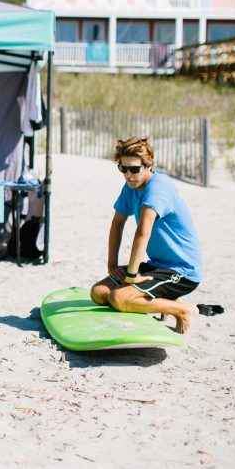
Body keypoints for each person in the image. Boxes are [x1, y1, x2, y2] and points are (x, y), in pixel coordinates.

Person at [90, 137, 203, 333]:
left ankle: (184, 310)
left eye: (134, 169)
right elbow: (117, 223)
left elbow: (143, 231)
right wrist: (112, 265)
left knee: (118, 298)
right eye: (123, 169)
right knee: (98, 293)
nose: (128, 175)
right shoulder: (131, 186)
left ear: (148, 165)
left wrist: (132, 275)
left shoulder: (158, 187)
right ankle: (160, 301)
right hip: (157, 265)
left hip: (182, 271)